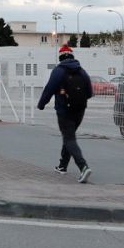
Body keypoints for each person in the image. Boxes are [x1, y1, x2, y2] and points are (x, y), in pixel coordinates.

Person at [37, 46, 94, 182]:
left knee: (69, 138)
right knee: (69, 137)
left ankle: (83, 167)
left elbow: (49, 89)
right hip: (80, 110)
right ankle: (62, 166)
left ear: (61, 57)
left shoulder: (59, 71)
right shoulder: (82, 71)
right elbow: (90, 93)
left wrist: (41, 104)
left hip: (64, 110)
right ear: (72, 56)